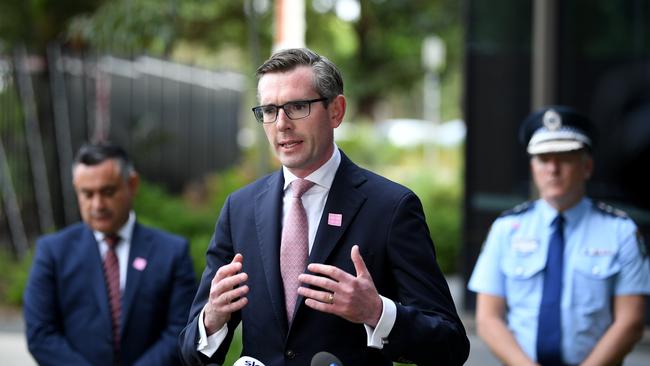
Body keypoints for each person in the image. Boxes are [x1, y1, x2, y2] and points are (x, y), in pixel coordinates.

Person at [178, 48, 469, 365]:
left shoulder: (391, 208)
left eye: (297, 107)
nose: (281, 124)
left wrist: (376, 312)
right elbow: (191, 352)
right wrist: (212, 319)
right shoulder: (240, 208)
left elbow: (451, 345)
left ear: (336, 111)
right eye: (269, 110)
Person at [468, 106, 650, 366]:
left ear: (586, 166)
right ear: (533, 168)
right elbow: (487, 319)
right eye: (543, 158)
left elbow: (631, 321)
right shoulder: (506, 229)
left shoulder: (620, 231)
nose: (552, 168)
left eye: (564, 157)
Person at [24, 142, 197, 366]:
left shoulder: (172, 252)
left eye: (108, 192)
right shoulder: (53, 252)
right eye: (87, 194)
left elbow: (180, 330)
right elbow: (40, 334)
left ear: (132, 184)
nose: (97, 205)